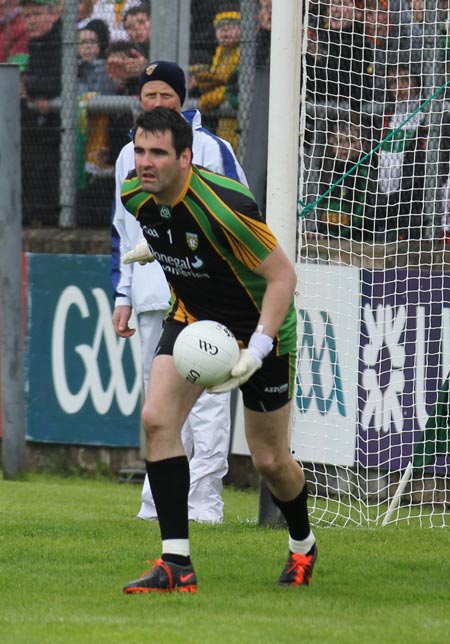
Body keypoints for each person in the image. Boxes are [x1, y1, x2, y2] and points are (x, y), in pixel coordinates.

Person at [119, 106, 317, 594]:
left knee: (270, 460)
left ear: (186, 157)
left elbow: (282, 277)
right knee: (157, 419)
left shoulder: (225, 203)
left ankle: (302, 544)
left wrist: (261, 346)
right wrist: (163, 246)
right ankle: (176, 564)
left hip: (258, 330)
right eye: (140, 150)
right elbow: (168, 225)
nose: (146, 162)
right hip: (193, 321)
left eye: (159, 153)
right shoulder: (132, 192)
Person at [111, 61, 248, 524]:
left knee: (208, 398)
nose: (157, 103)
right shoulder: (127, 157)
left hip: (207, 298)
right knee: (159, 407)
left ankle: (206, 502)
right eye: (149, 95)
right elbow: (123, 230)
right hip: (152, 296)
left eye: (165, 95)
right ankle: (156, 503)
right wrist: (122, 295)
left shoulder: (211, 148)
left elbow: (240, 216)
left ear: (182, 99)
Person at [20, 0, 62, 226]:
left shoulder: (61, 41)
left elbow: (58, 82)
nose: (31, 21)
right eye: (27, 16)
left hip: (55, 132)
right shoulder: (35, 44)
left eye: (36, 14)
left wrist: (29, 86)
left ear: (53, 14)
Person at [190, 5, 241, 150]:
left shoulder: (243, 51)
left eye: (230, 26)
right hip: (222, 119)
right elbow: (218, 79)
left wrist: (217, 95)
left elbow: (233, 83)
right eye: (220, 27)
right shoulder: (219, 52)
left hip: (237, 117)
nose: (224, 31)